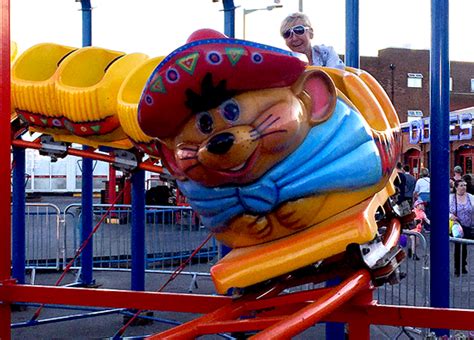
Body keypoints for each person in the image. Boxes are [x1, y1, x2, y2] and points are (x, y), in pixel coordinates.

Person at [280, 12, 345, 69]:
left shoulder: (326, 54)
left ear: (310, 32)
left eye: (299, 30)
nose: (294, 38)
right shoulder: (284, 63)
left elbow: (336, 78)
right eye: (287, 34)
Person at [449, 179, 474, 276]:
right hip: (457, 225)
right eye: (461, 185)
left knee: (465, 246)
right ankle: (457, 267)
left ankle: (463, 264)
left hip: (468, 225)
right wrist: (450, 216)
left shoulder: (470, 197)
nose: (464, 187)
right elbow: (445, 210)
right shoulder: (451, 198)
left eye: (465, 185)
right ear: (456, 187)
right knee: (458, 246)